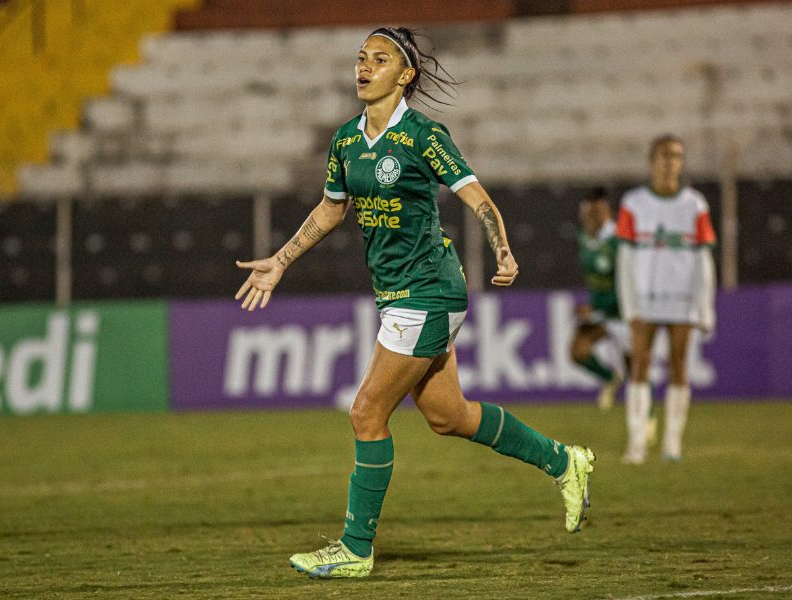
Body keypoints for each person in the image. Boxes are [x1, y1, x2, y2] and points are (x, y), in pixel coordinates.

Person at [235, 27, 595, 579]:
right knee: (448, 417)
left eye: (379, 59)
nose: (364, 66)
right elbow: (332, 210)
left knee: (366, 413)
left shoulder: (424, 135)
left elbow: (474, 194)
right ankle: (564, 461)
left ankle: (356, 549)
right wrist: (281, 260)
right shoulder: (346, 141)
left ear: (404, 75)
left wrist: (502, 249)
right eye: (360, 58)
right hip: (398, 296)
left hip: (428, 291)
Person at [615, 134, 716, 464]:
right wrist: (628, 302)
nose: (670, 161)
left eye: (676, 155)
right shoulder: (633, 203)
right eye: (664, 155)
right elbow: (625, 258)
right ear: (651, 160)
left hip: (681, 296)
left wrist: (705, 305)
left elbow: (703, 259)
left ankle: (672, 443)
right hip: (645, 297)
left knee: (678, 364)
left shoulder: (695, 205)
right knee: (640, 363)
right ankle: (637, 443)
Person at [570, 187, 631, 411]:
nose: (584, 219)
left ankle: (648, 417)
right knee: (578, 351)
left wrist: (596, 306)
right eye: (583, 214)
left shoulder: (620, 241)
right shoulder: (586, 239)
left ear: (602, 213)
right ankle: (610, 377)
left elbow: (627, 284)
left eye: (589, 214)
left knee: (636, 370)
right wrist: (591, 306)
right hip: (601, 312)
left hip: (623, 312)